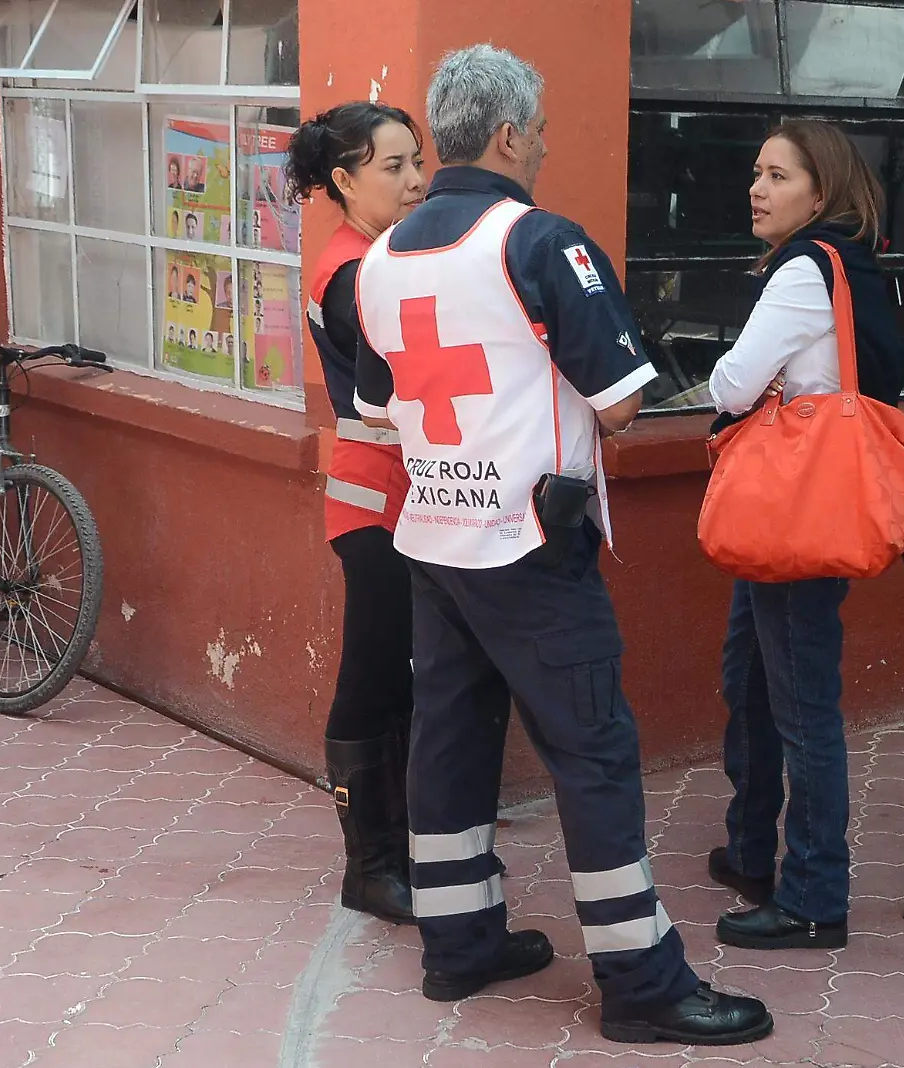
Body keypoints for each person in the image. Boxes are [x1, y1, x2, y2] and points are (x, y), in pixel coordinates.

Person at [354, 44, 771, 1045]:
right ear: (506, 135)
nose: (541, 147)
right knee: (593, 753)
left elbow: (375, 409)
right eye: (537, 131)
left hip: (435, 537)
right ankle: (641, 982)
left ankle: (457, 945)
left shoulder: (380, 254)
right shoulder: (542, 243)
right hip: (531, 542)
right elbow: (624, 404)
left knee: (451, 742)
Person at [700, 121, 904, 952]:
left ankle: (815, 896)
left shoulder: (804, 270)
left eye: (777, 176)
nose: (757, 188)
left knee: (800, 706)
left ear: (821, 194)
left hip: (793, 507)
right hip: (808, 507)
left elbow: (731, 381)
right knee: (749, 677)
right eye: (756, 172)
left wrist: (743, 382)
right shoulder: (853, 267)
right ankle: (753, 851)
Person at [287, 99, 430, 928]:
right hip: (376, 506)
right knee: (373, 680)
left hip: (409, 502)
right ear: (344, 181)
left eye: (418, 163)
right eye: (393, 167)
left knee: (407, 681)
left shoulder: (382, 258)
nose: (415, 182)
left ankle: (405, 846)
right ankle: (369, 866)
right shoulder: (350, 273)